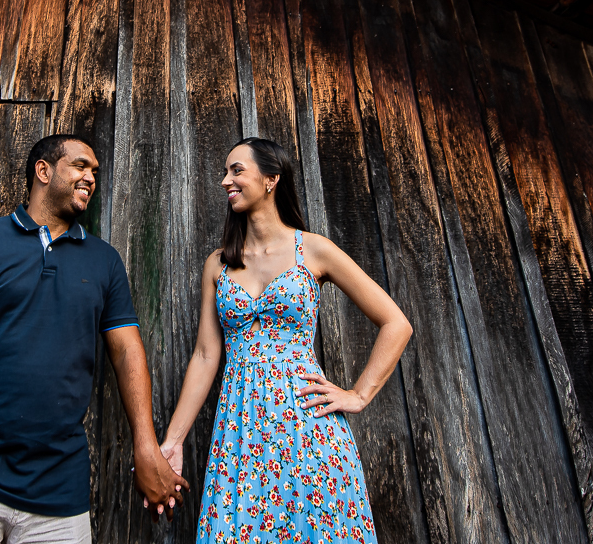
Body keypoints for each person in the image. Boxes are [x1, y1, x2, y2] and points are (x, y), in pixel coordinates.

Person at [0, 134, 188, 544]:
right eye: (81, 166)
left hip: (58, 493)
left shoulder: (104, 261)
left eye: (95, 172)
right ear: (43, 171)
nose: (90, 177)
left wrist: (147, 445)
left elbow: (125, 351)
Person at [159, 137, 412, 544]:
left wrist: (359, 394)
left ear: (271, 178)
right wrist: (173, 441)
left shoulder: (314, 250)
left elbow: (396, 323)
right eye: (225, 172)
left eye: (236, 170)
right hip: (239, 432)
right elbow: (206, 356)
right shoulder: (218, 263)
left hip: (308, 428)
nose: (226, 181)